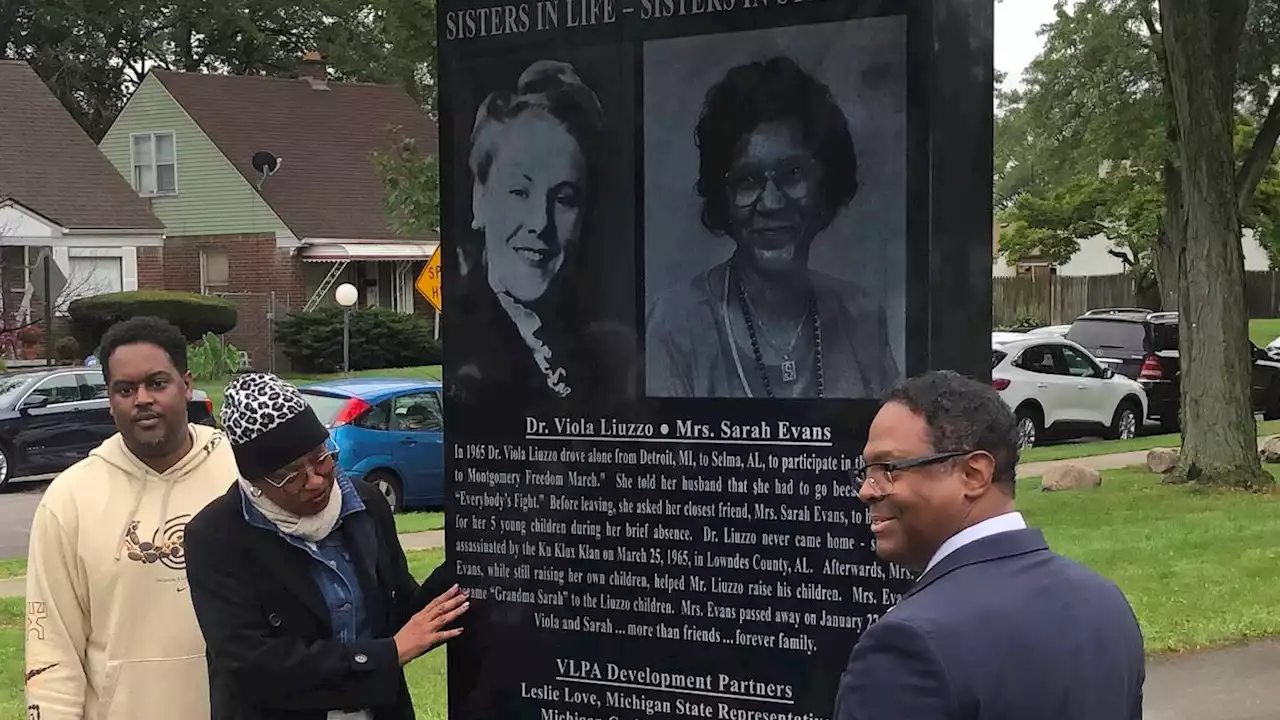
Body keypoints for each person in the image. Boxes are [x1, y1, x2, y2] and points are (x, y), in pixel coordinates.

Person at [833, 371, 1144, 719]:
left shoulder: (907, 646)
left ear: (973, 474)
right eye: (866, 471)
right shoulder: (1104, 603)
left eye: (888, 468)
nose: (866, 490)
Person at [183, 372, 469, 719]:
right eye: (292, 475)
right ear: (255, 482)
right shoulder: (215, 537)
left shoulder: (365, 503)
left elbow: (400, 611)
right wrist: (385, 655)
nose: (316, 480)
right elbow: (252, 664)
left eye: (321, 457)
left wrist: (472, 558)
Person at [647, 55, 900, 399]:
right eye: (747, 180)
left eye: (793, 173)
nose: (771, 203)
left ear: (825, 182)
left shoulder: (861, 317)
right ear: (722, 198)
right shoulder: (677, 323)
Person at [24, 316, 240, 719]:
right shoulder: (70, 499)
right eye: (125, 389)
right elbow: (52, 648)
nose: (142, 399)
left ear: (187, 385)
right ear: (109, 400)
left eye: (157, 383)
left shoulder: (242, 475)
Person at [450, 58, 628, 409]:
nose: (539, 222)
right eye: (519, 191)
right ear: (480, 198)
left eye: (563, 199)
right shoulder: (468, 368)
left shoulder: (603, 355)